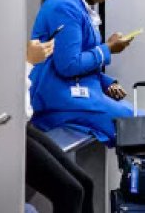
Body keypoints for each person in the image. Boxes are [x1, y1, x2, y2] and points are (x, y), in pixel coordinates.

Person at [28, 0, 134, 146]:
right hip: (59, 100)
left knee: (136, 121)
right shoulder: (65, 7)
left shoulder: (77, 5)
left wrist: (105, 81)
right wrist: (108, 48)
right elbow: (69, 64)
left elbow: (77, 57)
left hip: (76, 94)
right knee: (136, 124)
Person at [25, 39, 94, 213]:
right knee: (70, 192)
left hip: (24, 123)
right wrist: (28, 62)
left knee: (85, 184)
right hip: (12, 129)